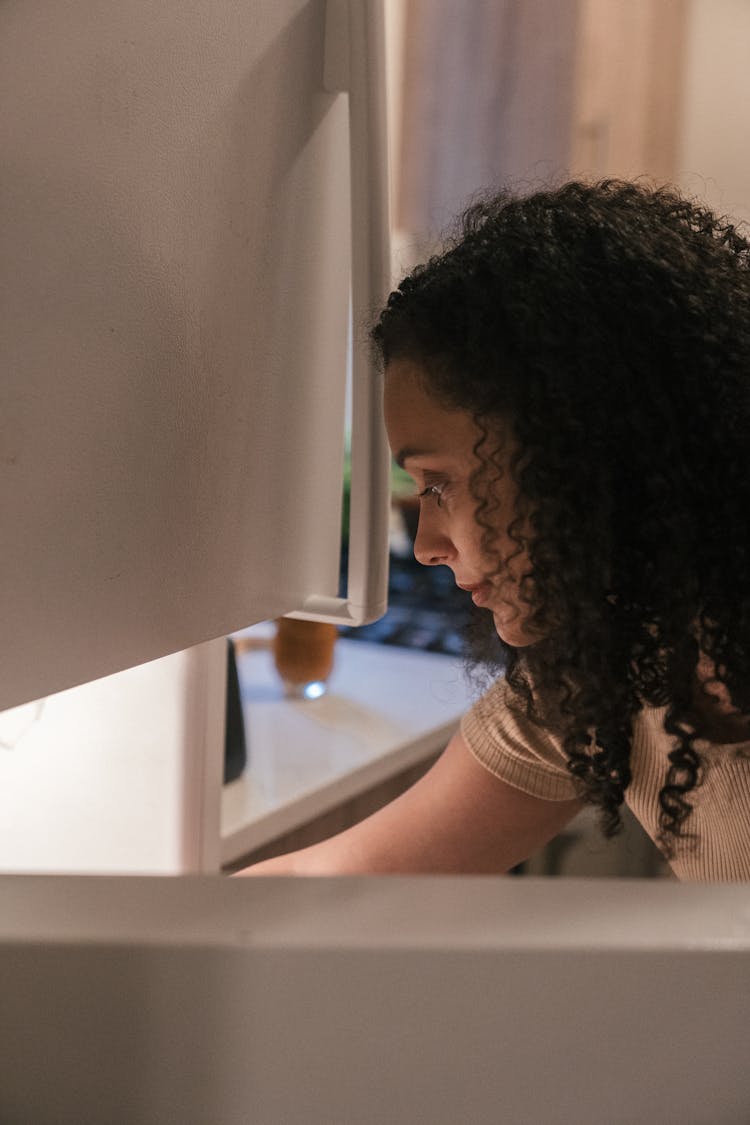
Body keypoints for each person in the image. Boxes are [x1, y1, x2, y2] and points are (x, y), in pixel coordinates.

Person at [240, 178, 750, 881]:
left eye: (438, 484)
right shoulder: (600, 669)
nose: (425, 547)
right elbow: (341, 876)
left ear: (578, 452)